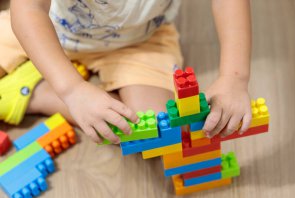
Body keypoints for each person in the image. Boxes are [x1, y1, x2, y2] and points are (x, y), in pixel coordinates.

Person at [0, 0, 252, 144]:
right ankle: (60, 86)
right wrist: (72, 89)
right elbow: (28, 12)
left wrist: (234, 78)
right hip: (49, 32)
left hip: (140, 41)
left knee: (156, 131)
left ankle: (41, 95)